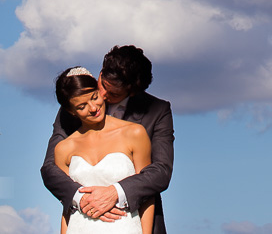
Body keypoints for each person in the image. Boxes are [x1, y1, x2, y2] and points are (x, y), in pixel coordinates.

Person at [42, 46, 174, 234]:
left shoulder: (154, 114)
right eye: (102, 85)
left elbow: (159, 172)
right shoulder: (73, 105)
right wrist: (81, 199)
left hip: (129, 221)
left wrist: (116, 193)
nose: (102, 97)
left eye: (113, 94)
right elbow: (50, 169)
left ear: (131, 92)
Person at [53, 67, 153, 233]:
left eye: (94, 97)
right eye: (82, 106)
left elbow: (147, 194)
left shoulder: (134, 133)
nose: (93, 108)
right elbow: (67, 207)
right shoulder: (64, 149)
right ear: (71, 111)